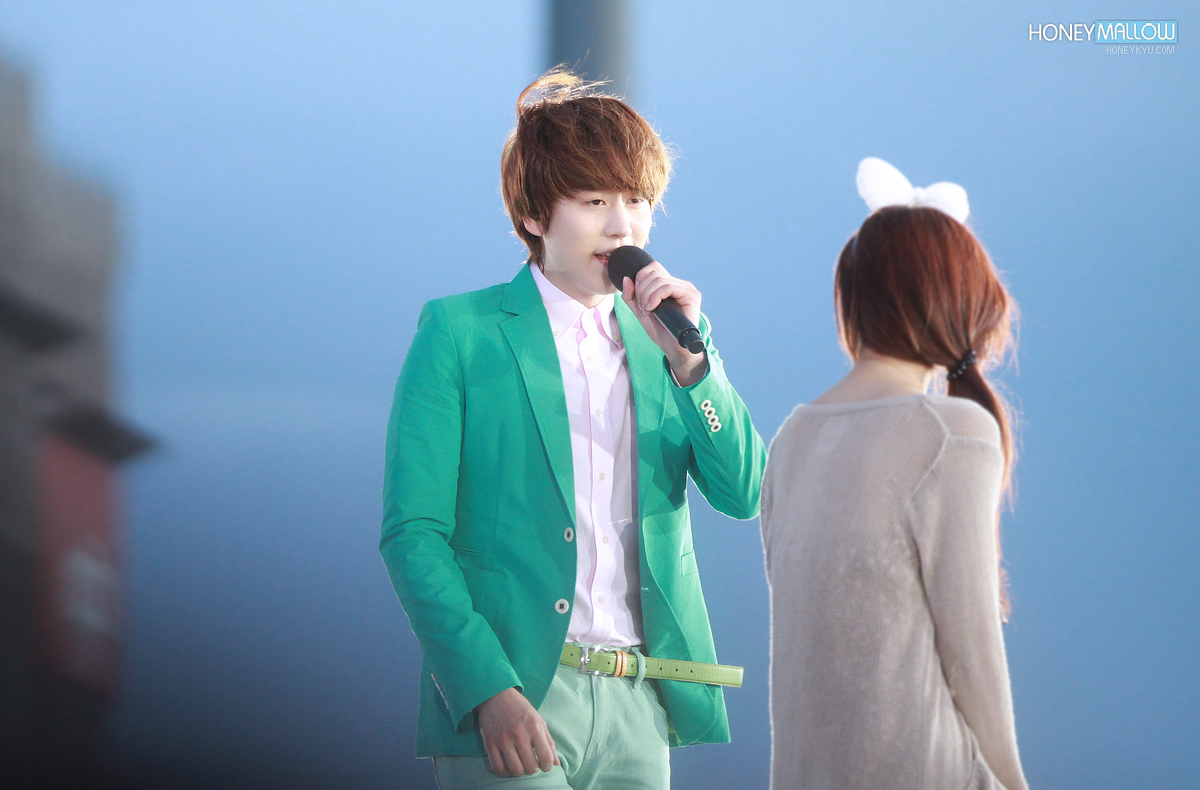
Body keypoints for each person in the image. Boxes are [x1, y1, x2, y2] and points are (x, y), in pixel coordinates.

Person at [380, 70, 766, 789]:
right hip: (515, 693)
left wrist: (692, 366)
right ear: (534, 215)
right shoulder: (460, 332)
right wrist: (486, 689)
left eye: (637, 200)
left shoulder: (673, 340)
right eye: (595, 201)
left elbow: (745, 493)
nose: (622, 227)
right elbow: (413, 534)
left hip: (639, 699)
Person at [761, 158, 1030, 790]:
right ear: (959, 299)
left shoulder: (792, 439)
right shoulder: (953, 432)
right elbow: (972, 651)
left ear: (853, 298)